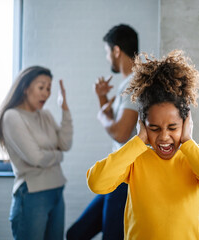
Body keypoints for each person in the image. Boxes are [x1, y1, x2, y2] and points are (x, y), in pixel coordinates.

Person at [86, 50, 199, 240]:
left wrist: (188, 142)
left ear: (186, 123)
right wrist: (138, 141)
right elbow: (97, 183)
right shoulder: (136, 158)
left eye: (173, 127)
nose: (164, 136)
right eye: (154, 128)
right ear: (143, 125)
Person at [66, 24, 138, 240]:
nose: (107, 58)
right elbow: (118, 123)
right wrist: (101, 98)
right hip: (117, 174)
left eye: (107, 52)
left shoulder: (134, 85)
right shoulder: (127, 84)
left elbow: (121, 133)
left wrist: (100, 115)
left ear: (116, 51)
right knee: (76, 234)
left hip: (126, 177)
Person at [0, 66, 73, 240]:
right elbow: (35, 157)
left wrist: (65, 110)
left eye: (49, 89)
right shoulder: (12, 117)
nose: (46, 93)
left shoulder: (45, 115)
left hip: (57, 191)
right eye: (41, 87)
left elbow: (65, 144)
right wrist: (58, 156)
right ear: (25, 88)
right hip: (32, 194)